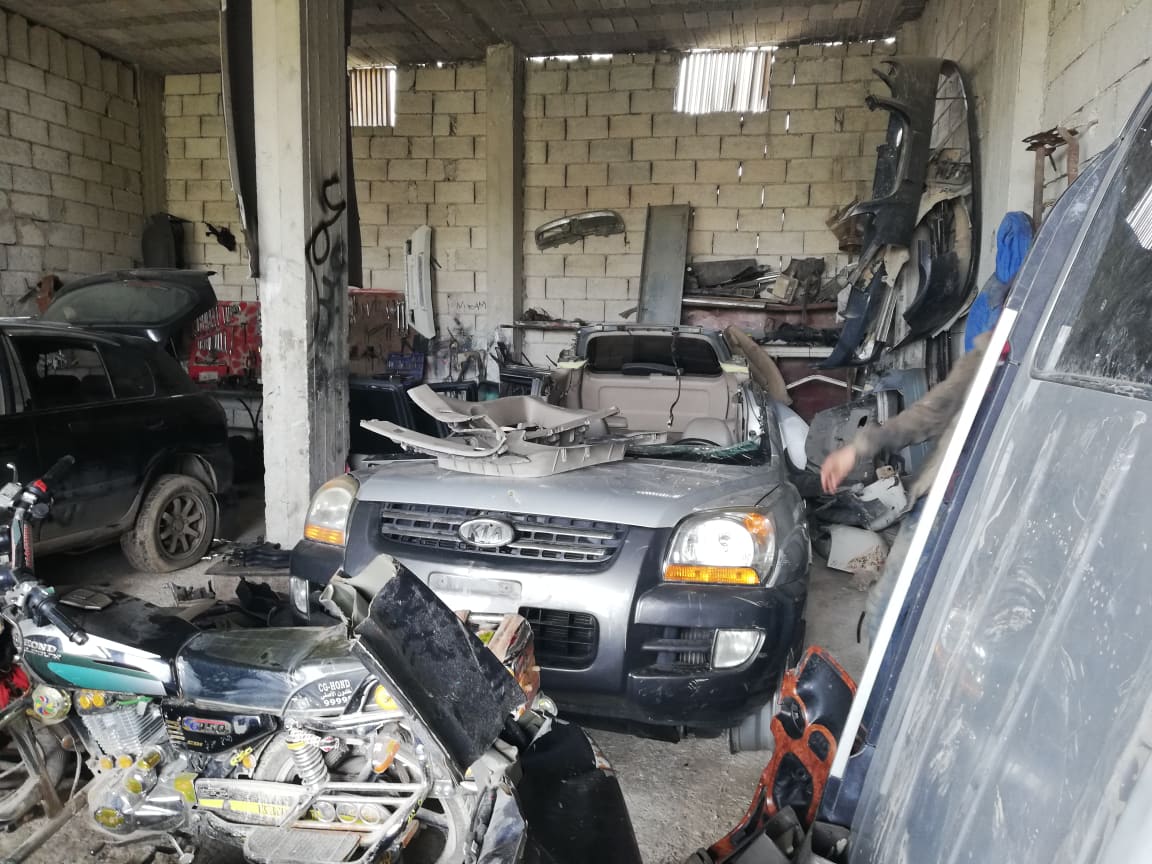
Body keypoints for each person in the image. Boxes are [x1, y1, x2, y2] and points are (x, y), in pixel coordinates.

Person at [821, 211, 1034, 646]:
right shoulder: (990, 354)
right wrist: (859, 447)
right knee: (886, 614)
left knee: (969, 632)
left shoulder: (1055, 375)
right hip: (942, 502)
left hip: (1000, 519)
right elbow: (929, 412)